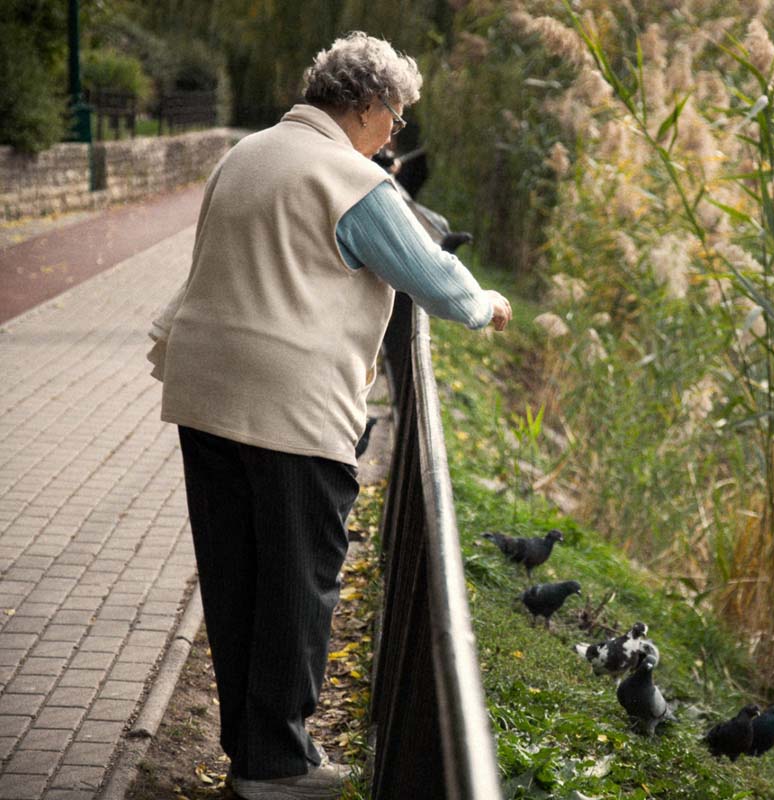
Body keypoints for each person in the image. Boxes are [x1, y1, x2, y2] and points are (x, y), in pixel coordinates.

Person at [146, 31, 511, 800]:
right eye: (396, 117)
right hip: (288, 405)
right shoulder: (349, 177)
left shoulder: (244, 155)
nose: (394, 134)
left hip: (205, 392)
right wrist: (487, 304)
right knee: (297, 581)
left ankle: (253, 753)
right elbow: (435, 280)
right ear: (370, 105)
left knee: (237, 578)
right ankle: (276, 767)